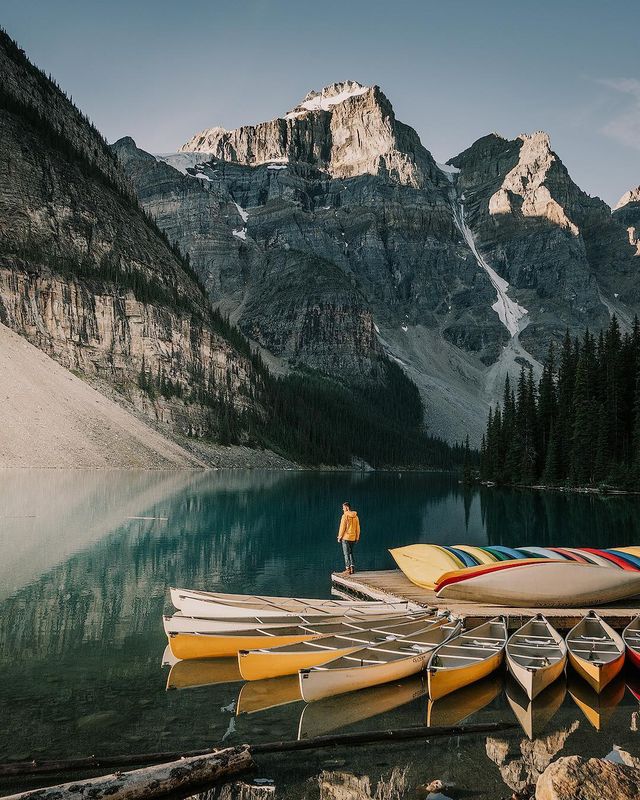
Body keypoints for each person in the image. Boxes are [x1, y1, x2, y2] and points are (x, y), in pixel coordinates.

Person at [337, 501, 360, 575]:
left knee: (346, 554)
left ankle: (347, 569)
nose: (343, 509)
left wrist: (339, 537)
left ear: (347, 508)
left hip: (346, 538)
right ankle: (352, 568)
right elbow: (358, 528)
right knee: (351, 553)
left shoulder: (344, 516)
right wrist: (357, 537)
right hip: (353, 538)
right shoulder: (356, 516)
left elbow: (342, 527)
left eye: (343, 508)